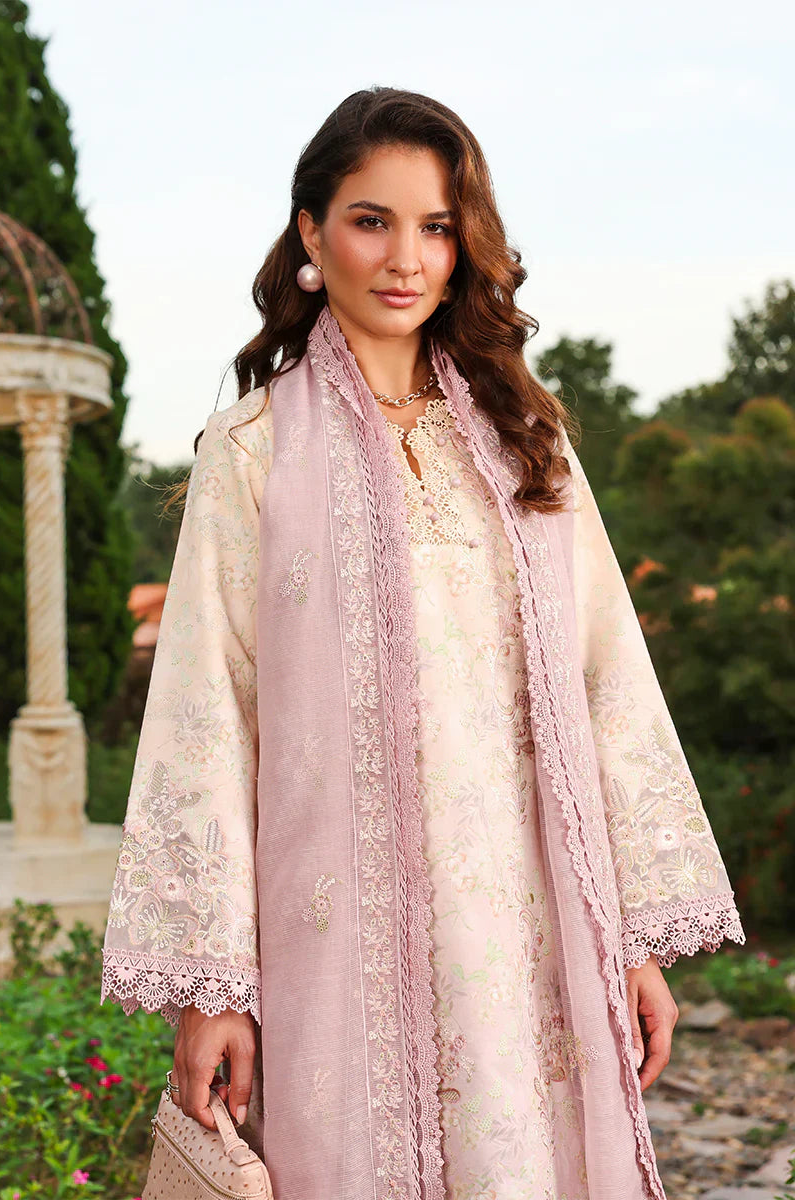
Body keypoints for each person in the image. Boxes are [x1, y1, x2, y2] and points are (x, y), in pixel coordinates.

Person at [101, 87, 745, 1200]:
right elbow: (207, 718)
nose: (406, 258)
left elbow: (608, 683)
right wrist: (210, 992)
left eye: (437, 227)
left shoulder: (525, 442)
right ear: (311, 235)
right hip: (339, 946)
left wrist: (631, 939)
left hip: (532, 941)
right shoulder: (252, 450)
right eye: (372, 221)